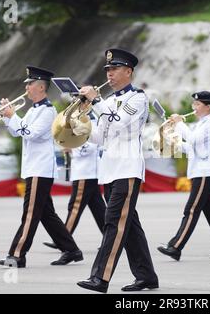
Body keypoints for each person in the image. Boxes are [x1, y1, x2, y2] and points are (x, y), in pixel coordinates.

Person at [76, 48, 158, 293]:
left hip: (127, 169)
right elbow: (101, 137)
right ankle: (147, 277)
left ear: (129, 72)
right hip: (109, 170)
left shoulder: (138, 98)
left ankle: (100, 278)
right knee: (129, 226)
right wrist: (80, 123)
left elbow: (120, 122)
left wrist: (96, 102)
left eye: (114, 69)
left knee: (113, 223)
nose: (109, 74)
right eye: (107, 70)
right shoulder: (108, 101)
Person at [0, 66, 83, 268]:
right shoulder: (33, 110)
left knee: (30, 214)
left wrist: (13, 116)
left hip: (40, 169)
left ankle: (17, 254)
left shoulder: (47, 111)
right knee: (46, 214)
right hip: (33, 168)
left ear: (41, 87)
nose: (26, 87)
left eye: (30, 83)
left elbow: (31, 133)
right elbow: (17, 132)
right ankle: (71, 250)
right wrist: (7, 116)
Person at [157, 91, 210, 261]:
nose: (194, 107)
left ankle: (175, 246)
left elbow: (192, 140)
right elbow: (192, 148)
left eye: (198, 104)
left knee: (191, 210)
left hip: (204, 173)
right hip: (199, 171)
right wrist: (171, 138)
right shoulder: (201, 123)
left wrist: (179, 124)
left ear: (208, 107)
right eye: (194, 104)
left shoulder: (209, 123)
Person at [43, 113, 106, 250]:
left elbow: (90, 145)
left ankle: (63, 238)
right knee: (99, 210)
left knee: (75, 207)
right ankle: (109, 239)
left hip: (86, 172)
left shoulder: (91, 119)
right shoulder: (80, 117)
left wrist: (72, 147)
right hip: (84, 172)